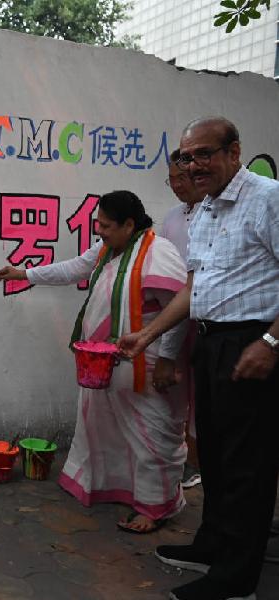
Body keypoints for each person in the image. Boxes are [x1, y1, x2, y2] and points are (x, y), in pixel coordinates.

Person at [119, 117, 278, 600]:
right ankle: (213, 546)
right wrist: (147, 334)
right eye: (187, 157)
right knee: (214, 455)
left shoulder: (268, 198)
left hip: (253, 343)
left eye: (204, 154)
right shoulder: (204, 209)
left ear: (234, 151)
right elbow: (195, 288)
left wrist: (271, 344)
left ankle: (236, 581)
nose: (194, 165)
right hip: (210, 343)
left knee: (247, 464)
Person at [0, 190, 188, 533]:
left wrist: (168, 360)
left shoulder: (159, 253)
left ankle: (155, 507)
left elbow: (180, 310)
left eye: (106, 225)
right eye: (98, 224)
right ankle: (110, 487)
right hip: (103, 365)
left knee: (151, 436)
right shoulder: (108, 249)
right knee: (103, 429)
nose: (99, 231)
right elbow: (74, 269)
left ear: (130, 225)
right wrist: (24, 274)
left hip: (148, 366)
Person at [158, 150, 206, 490]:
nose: (176, 185)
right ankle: (178, 455)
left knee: (202, 393)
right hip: (175, 312)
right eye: (171, 179)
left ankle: (196, 461)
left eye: (182, 179)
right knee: (178, 387)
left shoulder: (213, 213)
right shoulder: (173, 217)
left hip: (205, 314)